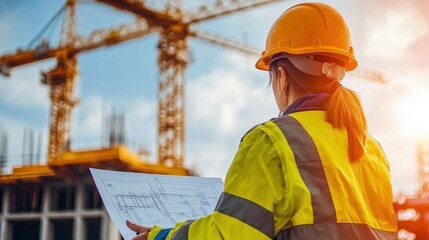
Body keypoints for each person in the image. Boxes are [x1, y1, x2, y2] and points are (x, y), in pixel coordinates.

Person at [126, 2, 398, 239]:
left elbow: (228, 235)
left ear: (281, 75)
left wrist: (162, 236)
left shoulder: (272, 141)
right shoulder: (371, 150)